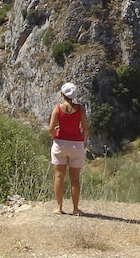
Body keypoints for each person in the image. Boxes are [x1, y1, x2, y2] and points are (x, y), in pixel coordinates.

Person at [48, 81, 89, 215]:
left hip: (60, 143)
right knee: (75, 179)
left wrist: (55, 136)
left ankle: (59, 207)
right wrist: (82, 140)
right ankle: (75, 209)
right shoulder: (80, 109)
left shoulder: (58, 108)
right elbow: (85, 128)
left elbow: (51, 128)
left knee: (59, 176)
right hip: (76, 144)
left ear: (62, 94)